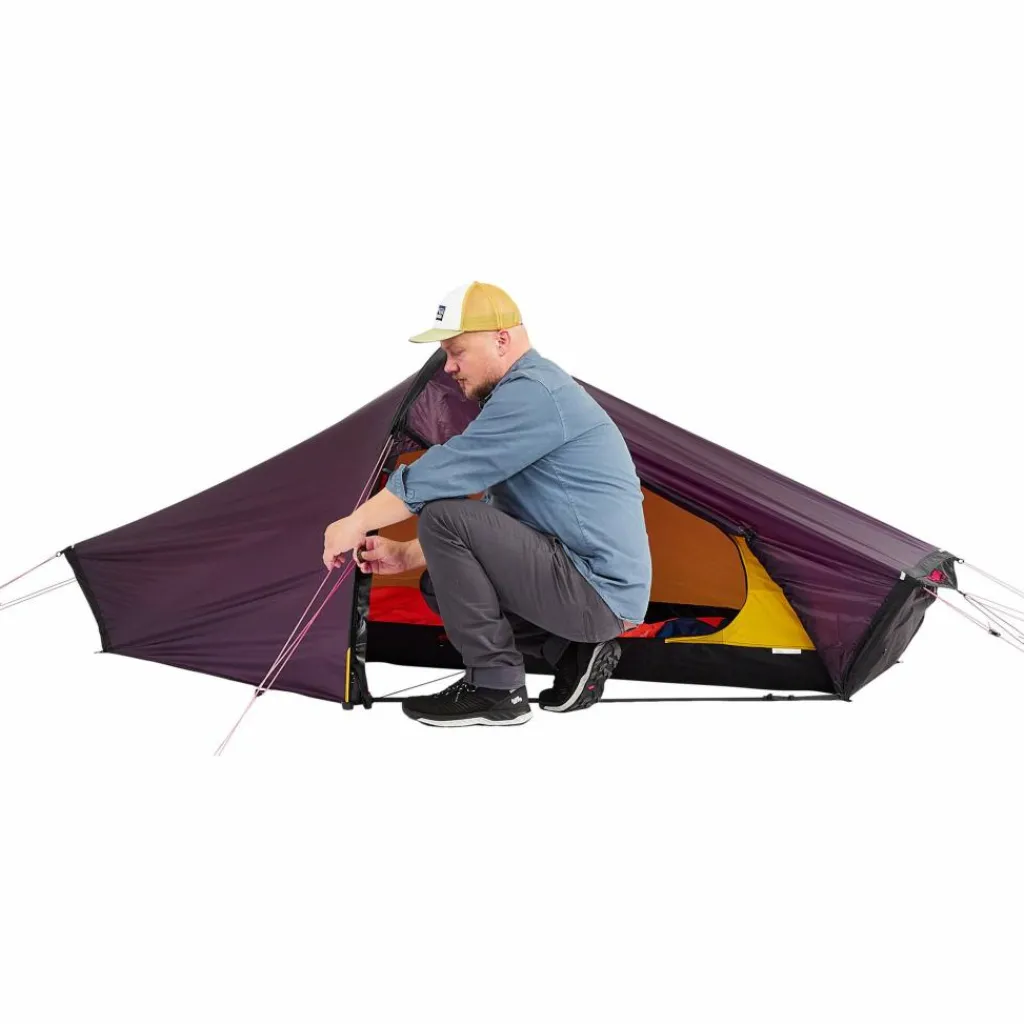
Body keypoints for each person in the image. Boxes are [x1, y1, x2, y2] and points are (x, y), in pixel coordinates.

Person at [322, 281, 652, 727]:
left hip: (596, 590)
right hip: (591, 588)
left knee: (442, 515)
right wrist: (407, 554)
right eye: (445, 354)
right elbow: (505, 520)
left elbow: (445, 471)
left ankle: (496, 690)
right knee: (440, 584)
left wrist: (355, 522)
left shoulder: (535, 393)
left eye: (457, 351)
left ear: (501, 340)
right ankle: (571, 651)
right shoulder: (525, 391)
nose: (449, 367)